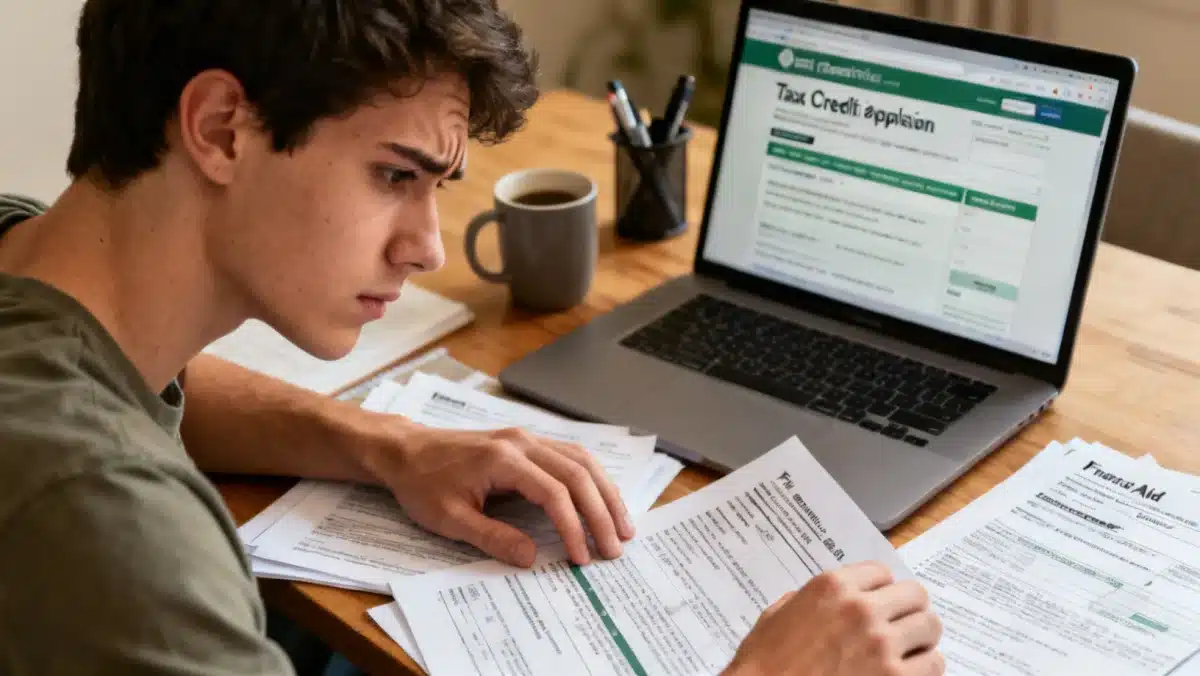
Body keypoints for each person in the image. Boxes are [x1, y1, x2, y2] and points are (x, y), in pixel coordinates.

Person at [0, 1, 943, 674]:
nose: (426, 247)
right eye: (392, 175)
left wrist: (388, 443)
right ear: (221, 127)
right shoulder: (101, 515)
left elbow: (121, 384)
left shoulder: (31, 257)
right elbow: (91, 468)